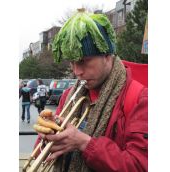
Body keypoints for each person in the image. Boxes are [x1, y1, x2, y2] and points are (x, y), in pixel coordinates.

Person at [35, 9, 148, 172]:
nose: (77, 72)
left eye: (83, 61)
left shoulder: (140, 98)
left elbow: (140, 165)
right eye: (72, 63)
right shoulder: (68, 96)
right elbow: (41, 153)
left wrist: (84, 143)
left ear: (108, 56)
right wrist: (48, 139)